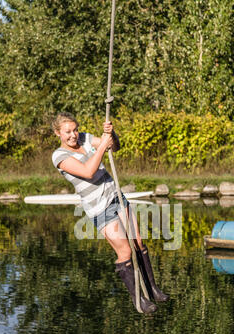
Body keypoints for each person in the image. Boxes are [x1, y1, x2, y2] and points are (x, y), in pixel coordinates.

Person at [51, 112, 168, 313]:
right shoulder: (59, 156)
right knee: (125, 251)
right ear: (57, 133)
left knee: (138, 241)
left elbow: (115, 147)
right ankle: (138, 300)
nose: (73, 135)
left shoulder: (85, 138)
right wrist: (102, 146)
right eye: (68, 132)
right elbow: (88, 171)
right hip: (99, 208)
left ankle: (153, 289)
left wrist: (111, 135)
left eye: (75, 129)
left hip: (116, 196)